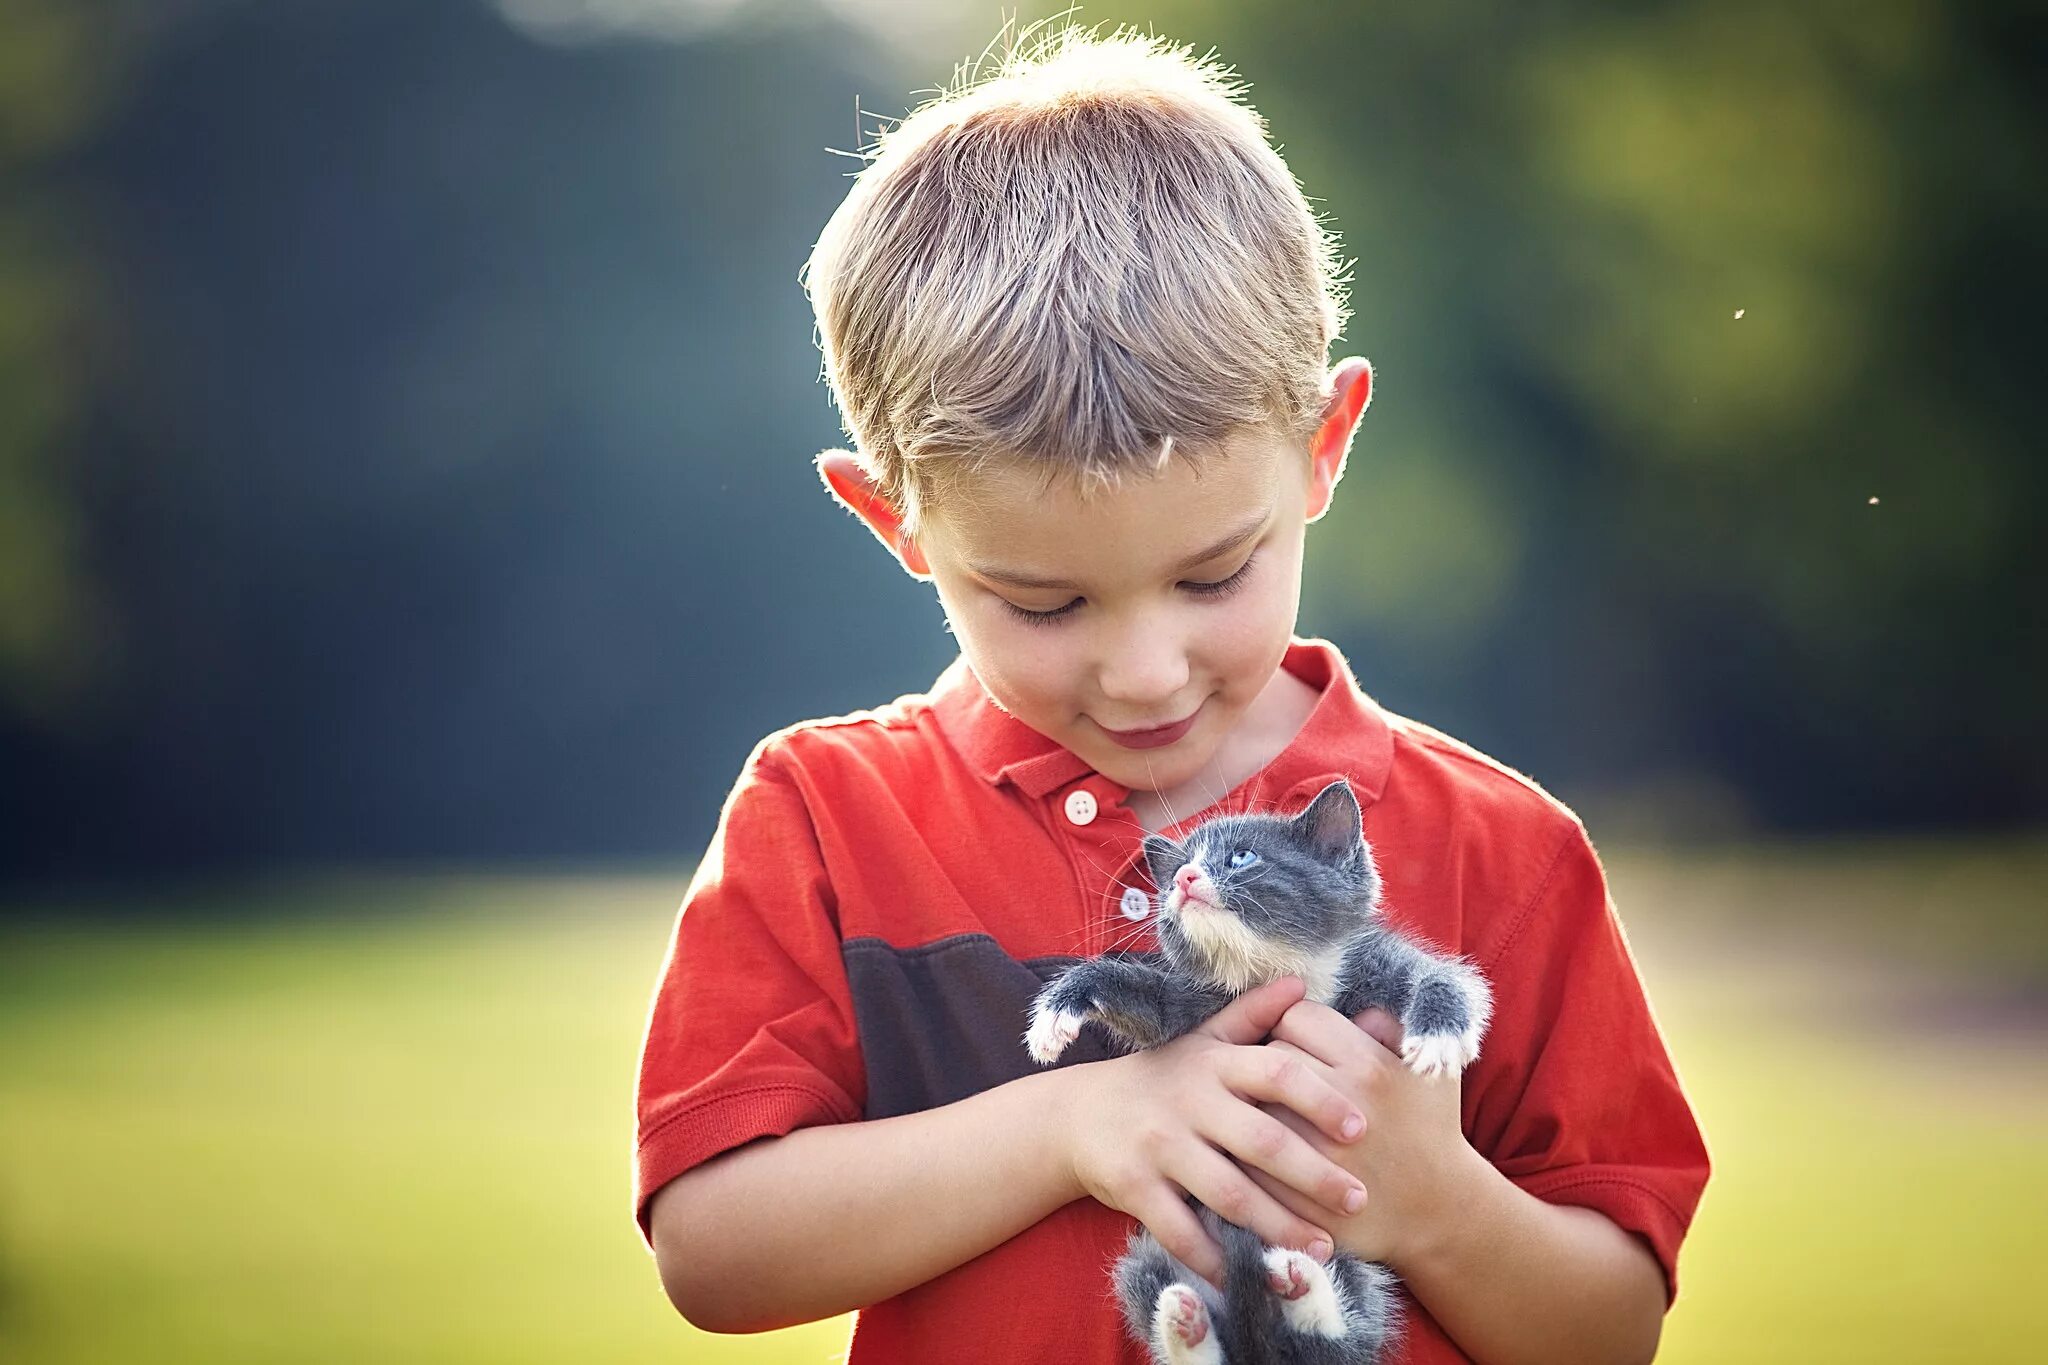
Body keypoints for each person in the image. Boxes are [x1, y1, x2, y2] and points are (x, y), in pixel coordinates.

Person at [632, 23, 1709, 1365]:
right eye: (1044, 602)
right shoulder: (827, 817)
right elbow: (714, 1248)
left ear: (1324, 445)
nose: (1144, 672)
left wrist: (1438, 1208)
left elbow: (1610, 1331)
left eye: (1214, 576)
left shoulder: (1509, 853)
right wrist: (1078, 1121)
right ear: (894, 521)